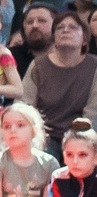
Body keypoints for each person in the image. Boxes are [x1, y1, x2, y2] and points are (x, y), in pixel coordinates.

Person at [25, 13, 95, 152]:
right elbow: (25, 104)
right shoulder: (38, 65)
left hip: (83, 134)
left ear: (84, 39)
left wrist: (78, 140)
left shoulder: (94, 66)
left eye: (73, 27)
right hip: (44, 135)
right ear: (54, 39)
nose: (65, 30)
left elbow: (93, 112)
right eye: (59, 27)